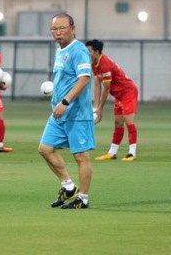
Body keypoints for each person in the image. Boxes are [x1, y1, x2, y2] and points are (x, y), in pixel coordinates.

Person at [38, 13, 95, 209]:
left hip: (76, 113)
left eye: (62, 28)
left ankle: (83, 199)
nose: (58, 32)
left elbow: (84, 79)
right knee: (45, 149)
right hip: (59, 112)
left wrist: (65, 101)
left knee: (81, 156)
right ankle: (69, 187)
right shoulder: (60, 50)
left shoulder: (79, 51)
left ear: (73, 28)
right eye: (54, 29)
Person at [85, 39, 139, 161]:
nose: (86, 53)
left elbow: (106, 89)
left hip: (128, 92)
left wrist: (101, 110)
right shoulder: (94, 64)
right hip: (119, 95)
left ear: (97, 51)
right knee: (118, 123)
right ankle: (112, 153)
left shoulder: (104, 64)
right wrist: (96, 107)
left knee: (128, 120)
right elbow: (97, 86)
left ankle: (132, 153)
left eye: (88, 51)